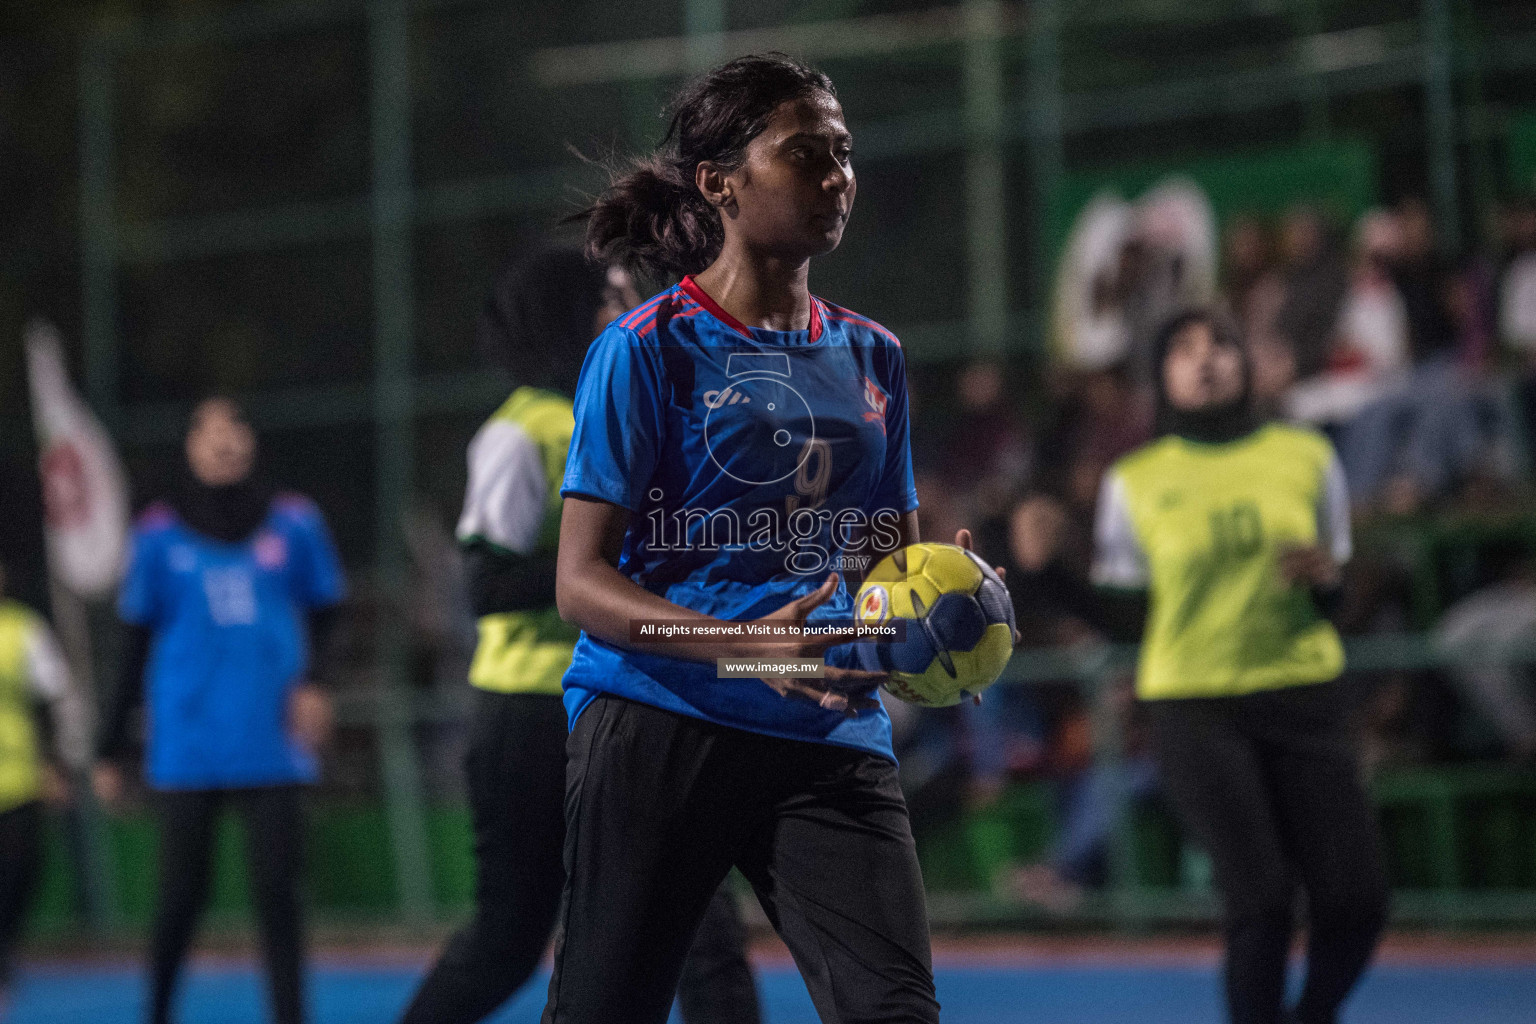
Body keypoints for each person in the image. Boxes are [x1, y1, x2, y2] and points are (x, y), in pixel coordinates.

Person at [544, 53, 994, 1024]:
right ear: (722, 183)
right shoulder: (645, 349)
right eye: (805, 153)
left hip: (827, 732)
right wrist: (744, 645)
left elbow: (884, 556)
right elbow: (579, 586)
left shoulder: (873, 356)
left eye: (843, 152)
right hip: (661, 721)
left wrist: (936, 604)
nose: (836, 174)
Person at [396, 249, 760, 1024]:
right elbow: (487, 588)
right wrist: (605, 569)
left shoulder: (638, 408)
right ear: (572, 317)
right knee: (509, 940)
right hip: (533, 713)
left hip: (634, 700)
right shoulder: (524, 432)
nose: (634, 300)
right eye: (614, 293)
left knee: (703, 929)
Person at [1092, 309, 1389, 1024]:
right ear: (1161, 375)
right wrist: (1046, 578)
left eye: (1222, 343)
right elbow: (1129, 618)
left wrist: (1330, 584)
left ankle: (1312, 1015)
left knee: (1356, 901)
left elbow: (1337, 589)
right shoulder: (1133, 479)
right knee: (1260, 904)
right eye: (1184, 349)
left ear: (1246, 363)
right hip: (1195, 706)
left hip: (1303, 692)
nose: (1207, 359)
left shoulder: (1306, 455)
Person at [95, 397, 345, 1024]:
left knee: (279, 897)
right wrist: (107, 746)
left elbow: (327, 611)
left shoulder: (294, 522)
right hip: (187, 738)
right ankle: (156, 1012)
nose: (222, 438)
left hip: (273, 738)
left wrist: (316, 681)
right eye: (206, 428)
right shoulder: (155, 533)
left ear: (253, 440)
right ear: (188, 445)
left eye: (236, 424)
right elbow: (132, 644)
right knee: (179, 897)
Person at [0, 563, 92, 1015]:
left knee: (20, 877)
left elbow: (60, 697)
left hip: (18, 782)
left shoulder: (23, 629)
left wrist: (64, 762)